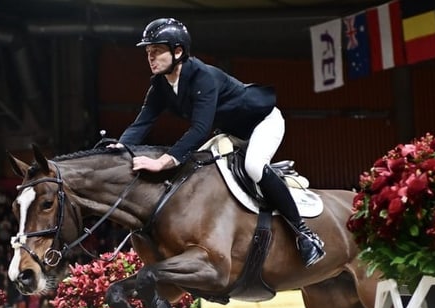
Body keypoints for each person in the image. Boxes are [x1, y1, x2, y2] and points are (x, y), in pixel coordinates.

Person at [115, 18, 324, 266]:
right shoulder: (160, 86)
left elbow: (200, 129)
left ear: (178, 51)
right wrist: (118, 148)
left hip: (262, 122)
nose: (151, 57)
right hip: (231, 131)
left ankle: (304, 234)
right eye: (148, 52)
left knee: (254, 167)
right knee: (195, 168)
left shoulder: (203, 77)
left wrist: (162, 162)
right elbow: (142, 123)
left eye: (157, 51)